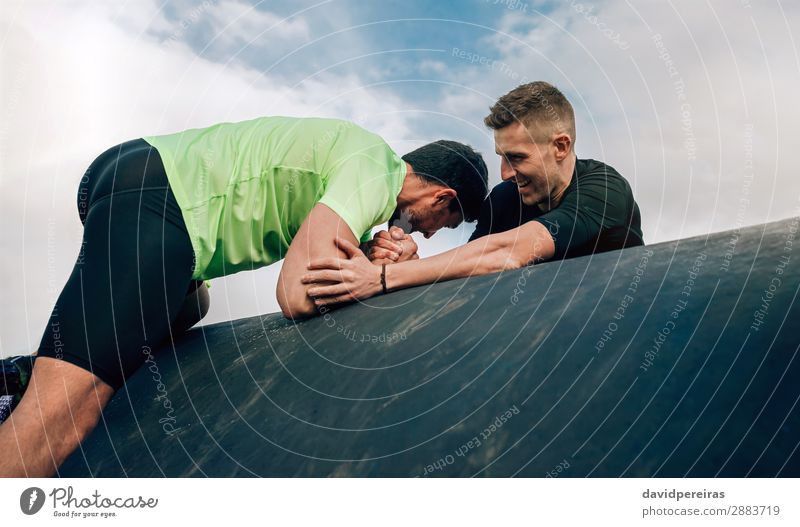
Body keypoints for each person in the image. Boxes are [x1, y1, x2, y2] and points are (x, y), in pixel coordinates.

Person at [0, 116, 488, 476]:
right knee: (59, 420)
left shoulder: (365, 162)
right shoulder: (374, 175)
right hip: (159, 197)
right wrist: (376, 276)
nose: (425, 235)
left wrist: (364, 254)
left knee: (194, 305)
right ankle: (50, 385)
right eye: (439, 224)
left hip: (139, 179)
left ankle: (29, 371)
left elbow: (322, 248)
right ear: (442, 198)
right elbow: (297, 293)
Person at [300, 82, 644, 306]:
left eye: (517, 158)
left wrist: (381, 278)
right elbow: (467, 270)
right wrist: (408, 264)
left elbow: (508, 252)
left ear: (560, 146)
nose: (506, 174)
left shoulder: (605, 190)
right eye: (501, 158)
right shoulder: (506, 200)